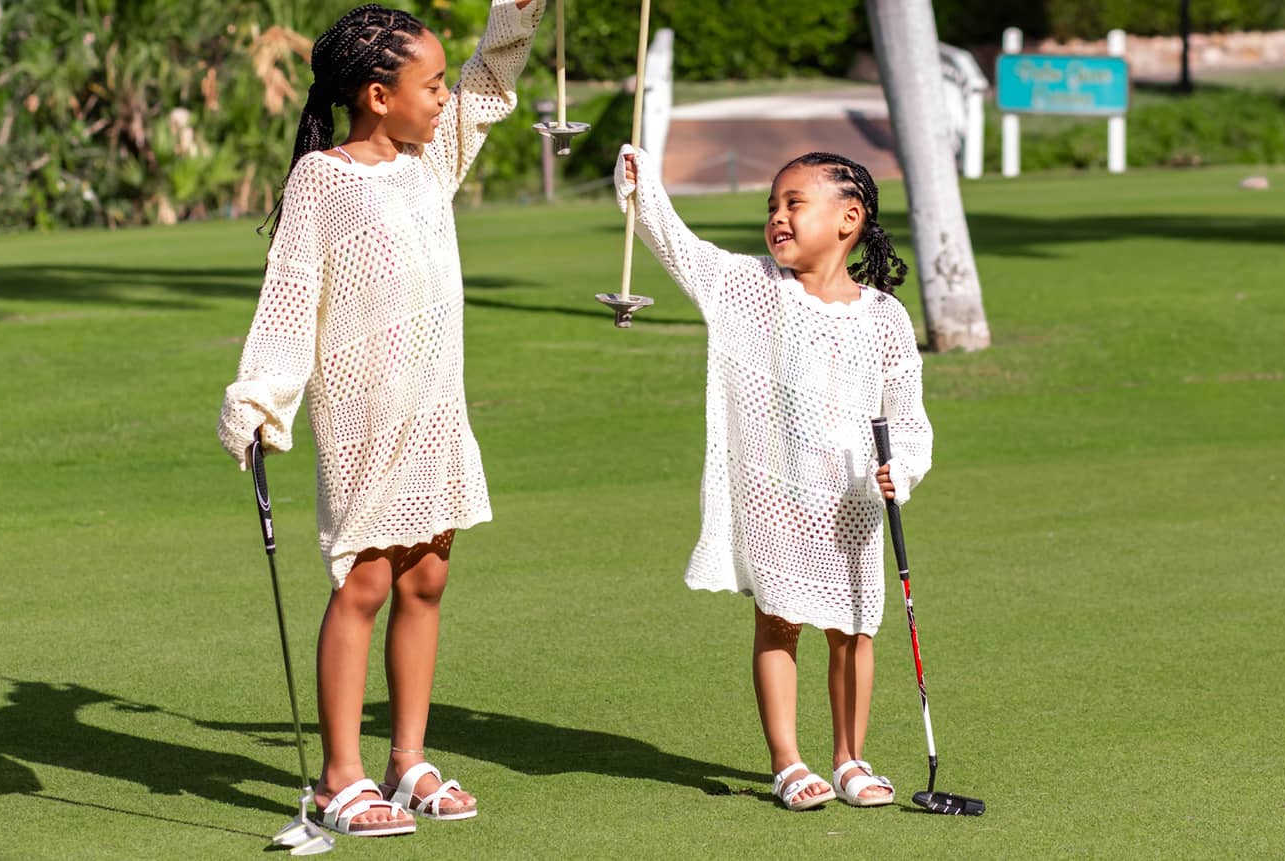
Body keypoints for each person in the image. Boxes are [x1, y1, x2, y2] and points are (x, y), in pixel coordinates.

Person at [216, 0, 545, 838]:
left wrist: (520, 9)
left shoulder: (427, 161)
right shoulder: (322, 181)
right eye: (427, 85)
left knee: (427, 576)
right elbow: (289, 301)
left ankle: (407, 759)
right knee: (364, 581)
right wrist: (260, 399)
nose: (443, 97)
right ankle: (340, 776)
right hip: (366, 417)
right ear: (375, 94)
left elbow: (488, 81)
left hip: (436, 409)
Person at [615, 145, 933, 810]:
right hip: (776, 495)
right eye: (772, 207)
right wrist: (646, 191)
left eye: (794, 204)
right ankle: (788, 760)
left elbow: (908, 422)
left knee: (854, 629)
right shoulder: (750, 287)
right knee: (780, 622)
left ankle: (850, 757)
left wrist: (899, 469)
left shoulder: (885, 318)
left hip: (852, 506)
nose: (778, 218)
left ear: (849, 218)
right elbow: (682, 251)